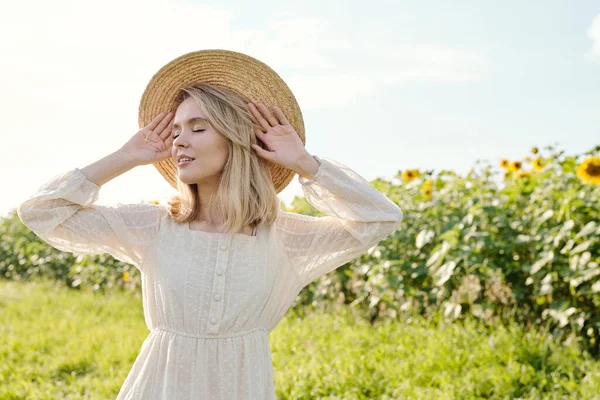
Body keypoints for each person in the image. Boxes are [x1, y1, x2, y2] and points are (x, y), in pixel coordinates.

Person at [17, 50, 404, 399]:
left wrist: (305, 163)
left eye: (197, 128)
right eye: (175, 131)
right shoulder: (153, 226)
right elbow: (40, 212)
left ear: (237, 138)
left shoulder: (284, 238)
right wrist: (124, 156)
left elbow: (380, 218)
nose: (179, 141)